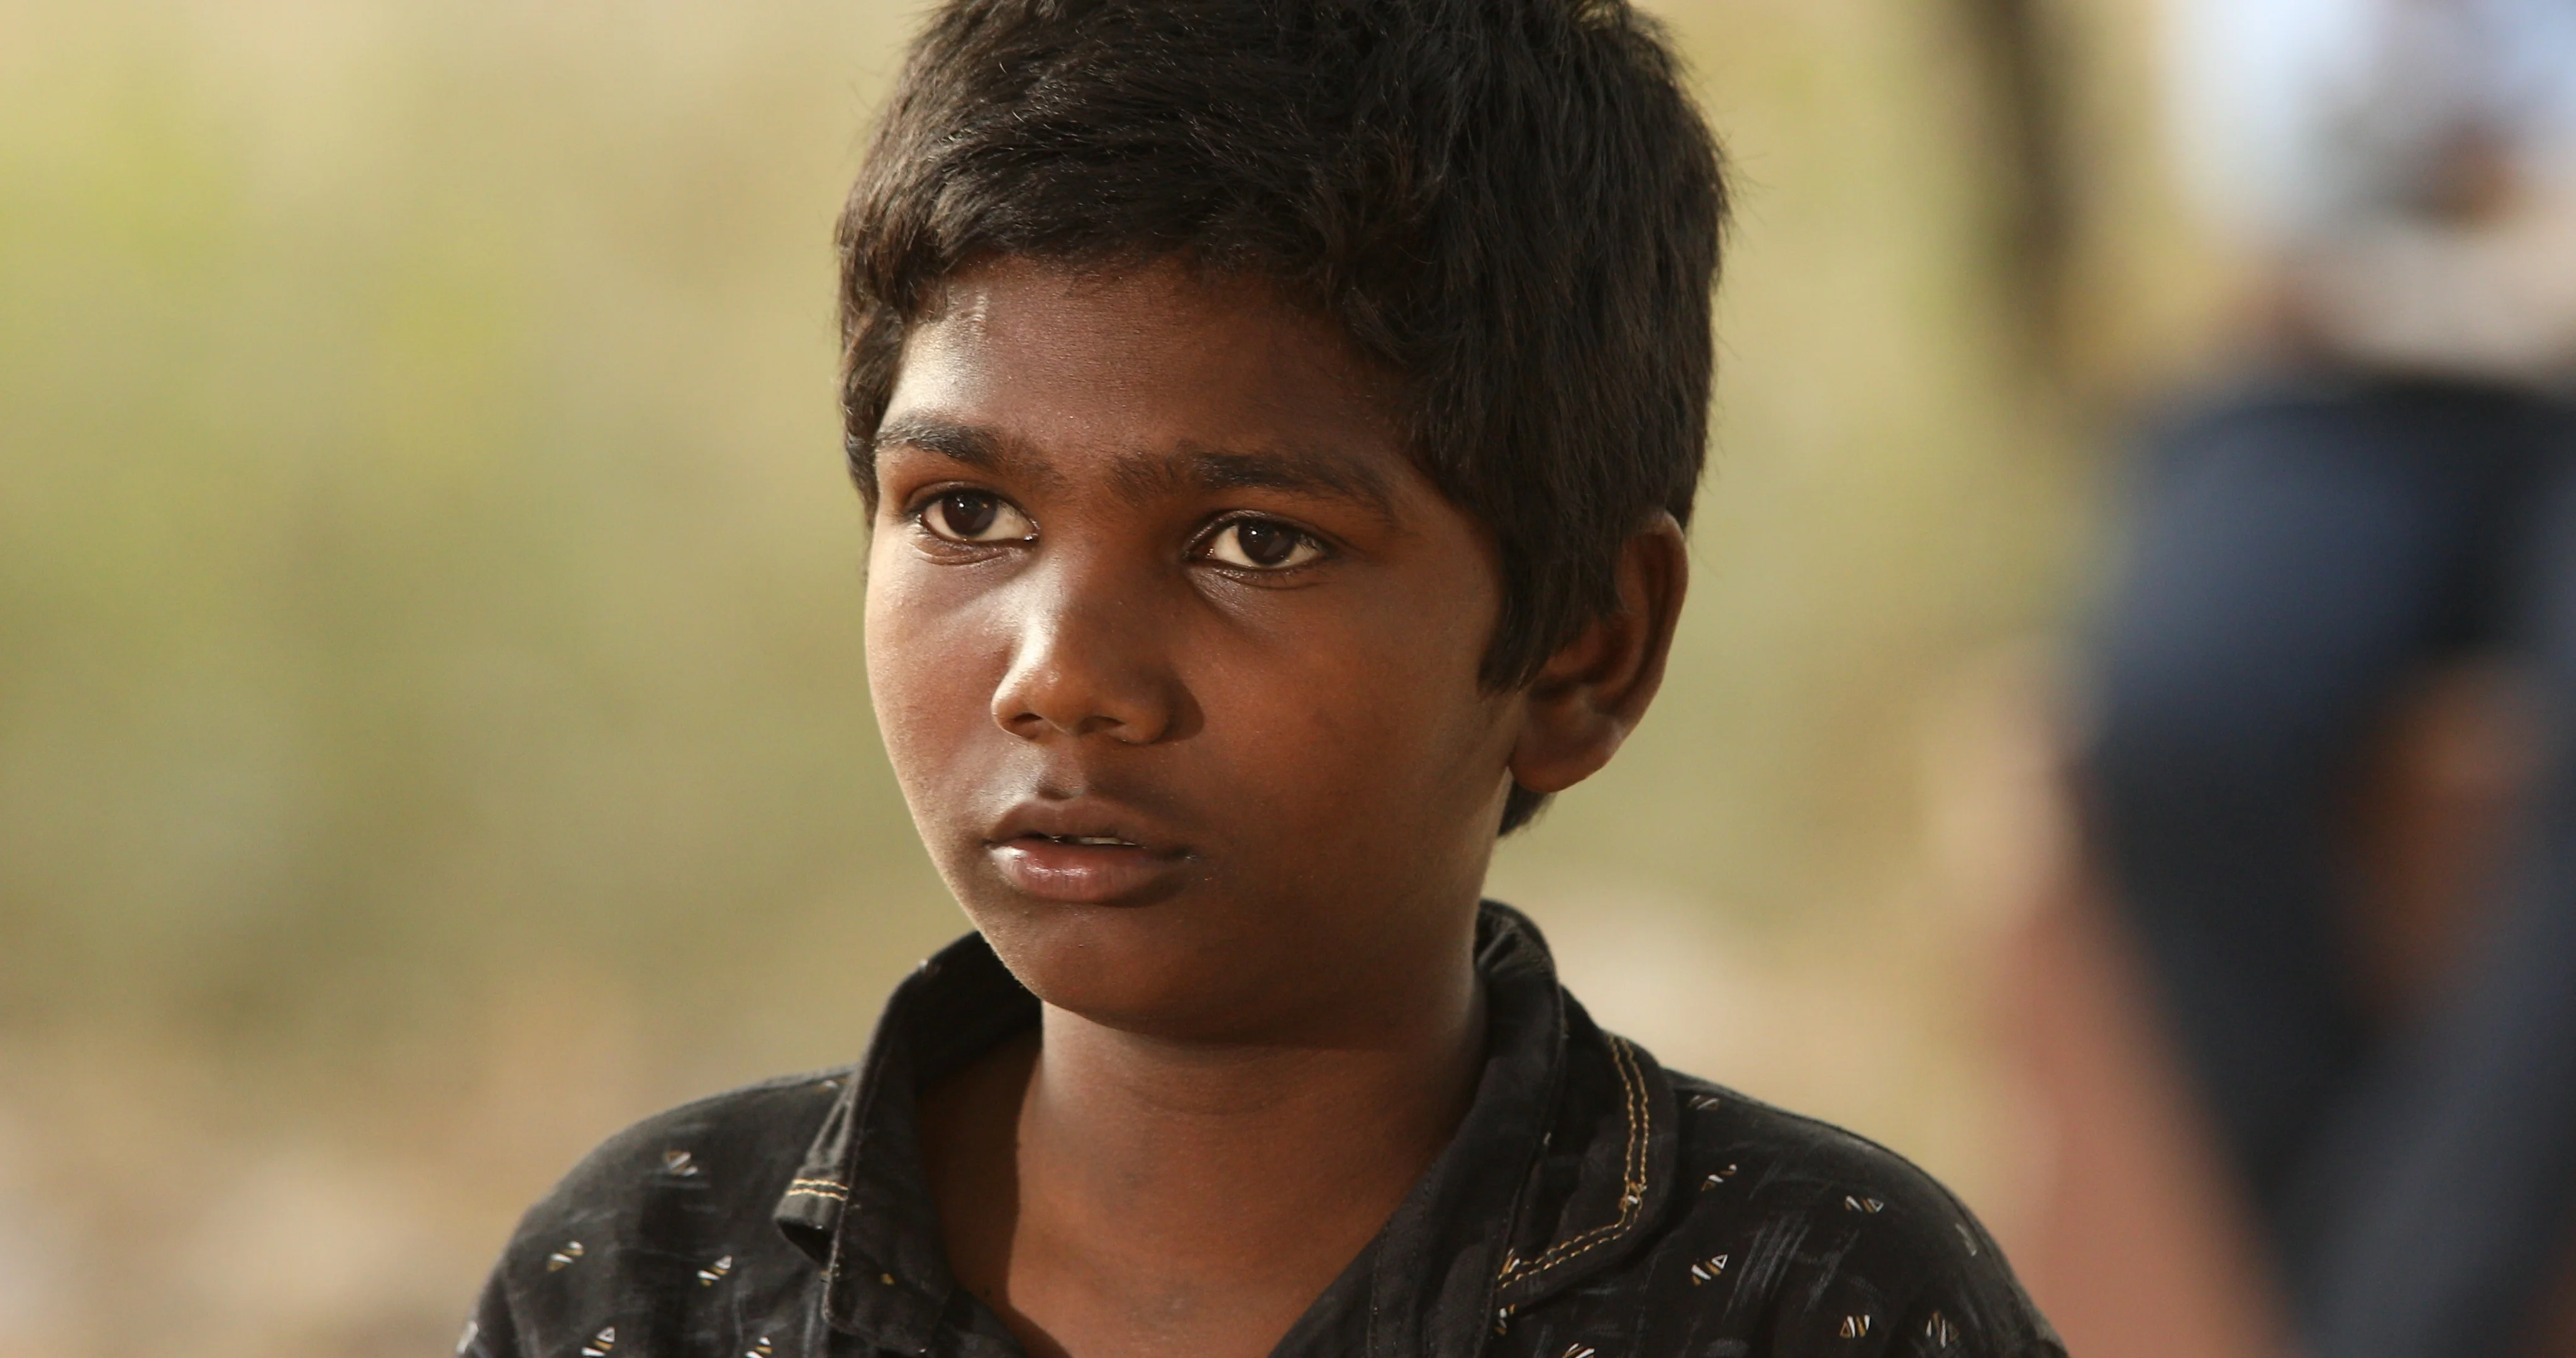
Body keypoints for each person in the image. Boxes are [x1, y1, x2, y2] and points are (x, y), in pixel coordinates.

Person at [460, 3, 2063, 1355]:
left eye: (1254, 543)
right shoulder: (651, 1283)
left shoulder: (1808, 1302)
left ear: (1587, 647)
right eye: (967, 514)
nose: (1061, 677)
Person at [2085, 1, 2576, 1354]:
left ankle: (2396, 1324)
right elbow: (2280, 177)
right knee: (2176, 715)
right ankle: (2375, 1306)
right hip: (2331, 394)